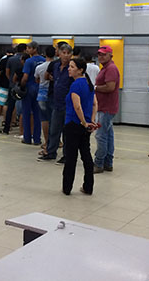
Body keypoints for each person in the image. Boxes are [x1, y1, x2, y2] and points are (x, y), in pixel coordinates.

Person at [62, 58, 98, 195]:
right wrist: (91, 121)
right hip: (85, 127)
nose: (69, 69)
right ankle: (88, 186)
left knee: (71, 157)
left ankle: (67, 188)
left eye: (72, 67)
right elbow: (95, 104)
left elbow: (77, 106)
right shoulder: (89, 83)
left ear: (80, 70)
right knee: (86, 156)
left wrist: (83, 122)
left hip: (73, 124)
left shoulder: (76, 85)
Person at [38, 43, 73, 163]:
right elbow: (47, 76)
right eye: (64, 53)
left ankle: (67, 156)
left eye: (68, 53)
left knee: (67, 132)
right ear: (59, 54)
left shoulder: (72, 67)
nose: (66, 55)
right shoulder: (56, 66)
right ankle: (51, 152)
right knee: (54, 129)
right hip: (56, 102)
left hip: (68, 104)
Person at [93, 45, 120, 173]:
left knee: (100, 136)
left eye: (104, 54)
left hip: (106, 108)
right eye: (99, 54)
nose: (101, 57)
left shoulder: (111, 69)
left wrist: (95, 88)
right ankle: (108, 163)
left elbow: (110, 87)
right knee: (108, 136)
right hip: (105, 107)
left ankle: (98, 163)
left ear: (110, 55)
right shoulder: (105, 68)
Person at [20, 41, 45, 145]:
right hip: (40, 88)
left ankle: (27, 138)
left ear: (34, 49)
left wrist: (21, 86)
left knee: (26, 113)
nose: (27, 50)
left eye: (29, 48)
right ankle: (37, 139)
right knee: (37, 115)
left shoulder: (29, 61)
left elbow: (25, 77)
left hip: (29, 88)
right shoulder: (43, 60)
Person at [3, 43, 26, 134]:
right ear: (25, 50)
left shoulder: (11, 59)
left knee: (10, 107)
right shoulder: (26, 60)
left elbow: (7, 72)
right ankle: (23, 129)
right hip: (23, 87)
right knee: (24, 108)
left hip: (12, 86)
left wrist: (12, 81)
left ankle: (6, 128)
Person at [35, 46, 55, 148]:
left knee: (44, 119)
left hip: (42, 94)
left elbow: (37, 80)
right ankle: (57, 141)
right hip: (54, 94)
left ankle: (47, 141)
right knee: (55, 118)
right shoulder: (57, 65)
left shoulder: (39, 67)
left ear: (45, 54)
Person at [0, 48, 14, 131]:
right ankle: (8, 124)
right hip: (12, 85)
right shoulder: (15, 60)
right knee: (8, 105)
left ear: (7, 53)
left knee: (0, 104)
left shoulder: (3, 61)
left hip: (3, 85)